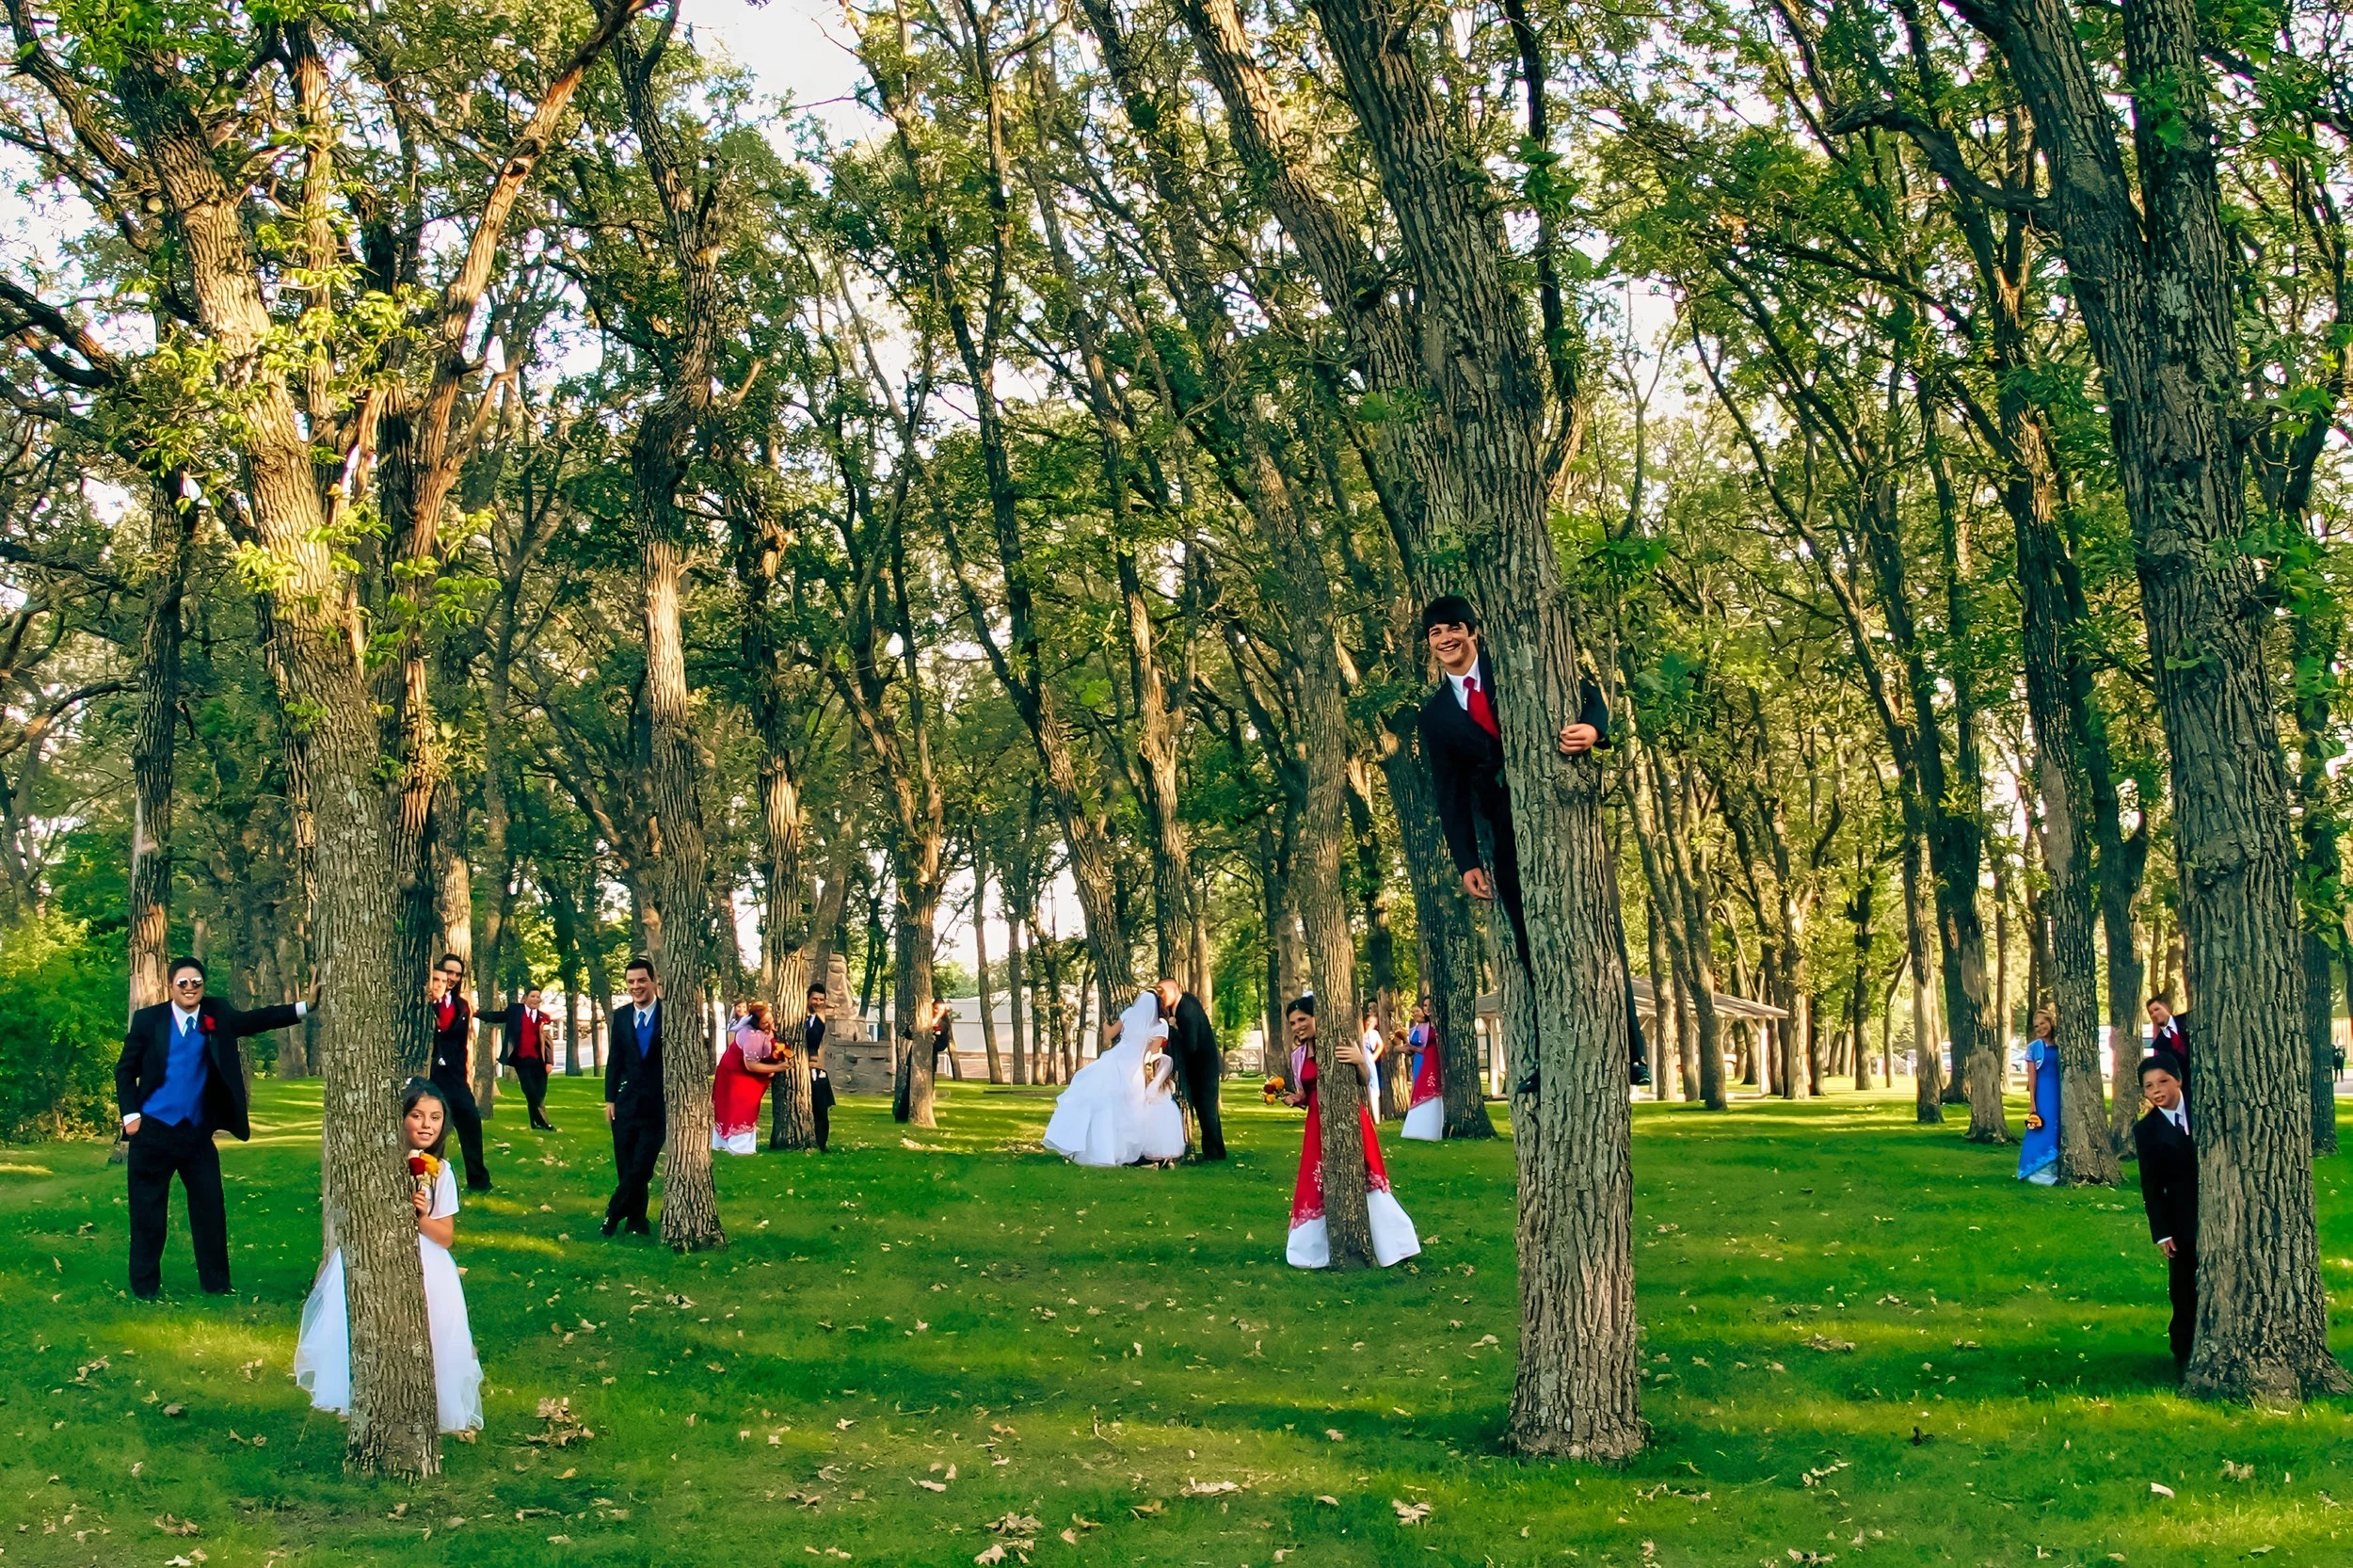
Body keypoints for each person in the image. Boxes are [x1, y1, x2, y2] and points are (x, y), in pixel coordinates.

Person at [1417, 595, 1650, 1089]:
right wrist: (1466, 862)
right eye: (1436, 634)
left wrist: (1594, 729)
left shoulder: (1523, 666)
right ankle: (1548, 1057)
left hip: (1566, 820)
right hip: (1505, 836)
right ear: (1430, 644)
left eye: (1454, 628)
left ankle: (1632, 1049)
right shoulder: (1435, 715)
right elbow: (1449, 794)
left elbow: (1589, 696)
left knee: (1602, 927)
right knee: (1530, 946)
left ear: (1473, 631)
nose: (1446, 640)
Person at [294, 1079, 483, 1432]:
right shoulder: (379, 1166)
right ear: (399, 1119)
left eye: (435, 1117)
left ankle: (428, 1405)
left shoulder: (441, 1172)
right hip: (377, 1254)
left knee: (430, 1332)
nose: (426, 1125)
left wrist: (422, 1216)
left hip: (429, 1266)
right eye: (416, 1115)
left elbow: (445, 1237)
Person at [116, 957, 312, 1298]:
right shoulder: (149, 1020)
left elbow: (257, 1020)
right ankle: (145, 1289)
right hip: (153, 1133)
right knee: (148, 1214)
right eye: (183, 983)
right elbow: (125, 1070)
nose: (190, 988)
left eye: (197, 983)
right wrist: (131, 1117)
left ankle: (217, 1286)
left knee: (210, 1210)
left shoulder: (217, 1013)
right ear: (171, 986)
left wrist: (305, 1006)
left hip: (197, 1134)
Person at [1281, 995, 1419, 1270]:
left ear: (1317, 1017)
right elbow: (1308, 1094)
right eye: (1292, 1023)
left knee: (1365, 1176)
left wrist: (1360, 1060)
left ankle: (1395, 1245)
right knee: (1316, 1180)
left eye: (1302, 1020)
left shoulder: (1340, 1042)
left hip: (1351, 1119)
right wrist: (1295, 1099)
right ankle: (1312, 1252)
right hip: (1316, 1124)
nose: (1297, 1026)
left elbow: (1365, 1081)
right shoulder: (1298, 1055)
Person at [1042, 990, 1169, 1167]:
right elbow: (1152, 1053)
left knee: (1099, 1103)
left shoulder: (1129, 1014)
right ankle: (1121, 1151)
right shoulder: (1160, 1025)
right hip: (1133, 1069)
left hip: (1112, 1060)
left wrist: (1103, 1024)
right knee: (1127, 1111)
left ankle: (1092, 1146)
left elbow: (1109, 1034)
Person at [2133, 1051, 2198, 1376]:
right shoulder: (2147, 1131)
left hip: (2222, 1209)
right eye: (2148, 1086)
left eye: (2163, 1082)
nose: (2156, 1090)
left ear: (2179, 1080)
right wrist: (2162, 1231)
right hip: (2181, 1218)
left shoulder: (2205, 1111)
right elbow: (2151, 1186)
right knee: (2183, 1287)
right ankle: (2184, 1351)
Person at [602, 957, 667, 1237]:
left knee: (642, 1167)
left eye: (641, 980)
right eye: (630, 982)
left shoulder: (669, 1014)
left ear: (653, 980)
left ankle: (612, 1215)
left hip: (658, 1105)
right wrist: (610, 1099)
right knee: (626, 1166)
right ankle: (637, 1223)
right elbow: (614, 1059)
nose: (636, 986)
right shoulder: (621, 1016)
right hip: (626, 1103)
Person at [427, 956, 490, 1191]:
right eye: (448, 973)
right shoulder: (426, 1004)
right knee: (433, 1130)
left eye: (457, 974)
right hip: (431, 1078)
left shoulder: (462, 1006)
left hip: (456, 1078)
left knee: (471, 1121)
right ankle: (427, 1181)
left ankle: (479, 1181)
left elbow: (462, 1044)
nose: (452, 979)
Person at [1154, 977, 1225, 1160]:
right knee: (1206, 1110)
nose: (1160, 997)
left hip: (1204, 1067)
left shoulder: (1187, 1011)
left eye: (1163, 992)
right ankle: (1214, 1151)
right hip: (1201, 1066)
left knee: (1206, 1110)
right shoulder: (1186, 1001)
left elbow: (1191, 1045)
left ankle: (1215, 1153)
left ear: (1174, 990)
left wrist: (1174, 1028)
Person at [484, 984, 560, 1131]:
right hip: (522, 1060)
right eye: (533, 996)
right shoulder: (515, 1011)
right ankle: (544, 1123)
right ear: (525, 998)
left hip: (539, 1061)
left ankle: (535, 1123)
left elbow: (548, 1042)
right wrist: (479, 1014)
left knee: (540, 1092)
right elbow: (499, 1017)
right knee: (530, 1091)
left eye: (538, 997)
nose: (535, 999)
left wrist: (549, 1062)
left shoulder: (544, 1018)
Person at [712, 1000, 782, 1156]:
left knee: (741, 1105)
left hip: (742, 1073)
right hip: (735, 1074)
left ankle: (728, 1144)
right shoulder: (752, 1036)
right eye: (765, 1022)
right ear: (756, 1023)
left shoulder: (764, 1031)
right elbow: (751, 1065)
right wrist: (777, 1068)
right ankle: (738, 1146)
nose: (769, 1024)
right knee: (740, 1106)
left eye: (770, 1020)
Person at [2017, 1005, 2059, 1185]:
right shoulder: (2034, 1048)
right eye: (2036, 1026)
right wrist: (2033, 1103)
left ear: (2050, 1023)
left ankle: (2055, 1168)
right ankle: (2038, 1173)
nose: (2040, 1028)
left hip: (2060, 1092)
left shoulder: (2060, 1044)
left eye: (2043, 1023)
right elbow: (2032, 1077)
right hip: (2044, 1094)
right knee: (2043, 1129)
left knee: (2058, 1129)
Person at [1136, 1029, 1185, 1165]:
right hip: (1169, 1111)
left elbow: (1148, 1097)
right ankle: (1168, 1160)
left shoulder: (1152, 1085)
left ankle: (1155, 1160)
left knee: (1154, 1136)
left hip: (1155, 1112)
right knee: (1167, 1136)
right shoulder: (1170, 1084)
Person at [800, 984, 836, 1153]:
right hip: (803, 1066)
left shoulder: (819, 1019)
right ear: (807, 998)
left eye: (822, 999)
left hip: (816, 1068)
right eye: (815, 998)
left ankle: (821, 1143)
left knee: (821, 1108)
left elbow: (815, 1038)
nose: (818, 1002)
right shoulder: (802, 1018)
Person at [1402, 1000, 1443, 1142]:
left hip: (1434, 1060)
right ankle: (1417, 1128)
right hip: (1423, 1060)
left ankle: (1433, 1128)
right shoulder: (1421, 1026)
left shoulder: (1438, 1024)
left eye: (1429, 1005)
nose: (1427, 1008)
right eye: (1425, 1005)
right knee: (1420, 1087)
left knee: (1433, 1089)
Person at [2146, 994, 2190, 1079]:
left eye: (2156, 1009)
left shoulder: (2187, 1020)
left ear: (2166, 1007)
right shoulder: (2159, 1045)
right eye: (2151, 1013)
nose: (2154, 1014)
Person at [1358, 1004, 1387, 1118]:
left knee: (1373, 1085)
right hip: (1361, 1058)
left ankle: (1376, 1115)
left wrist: (1374, 1056)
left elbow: (1380, 1046)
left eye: (1372, 1022)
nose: (1369, 1023)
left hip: (1369, 1059)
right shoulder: (1360, 1032)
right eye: (1368, 1021)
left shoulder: (1374, 1034)